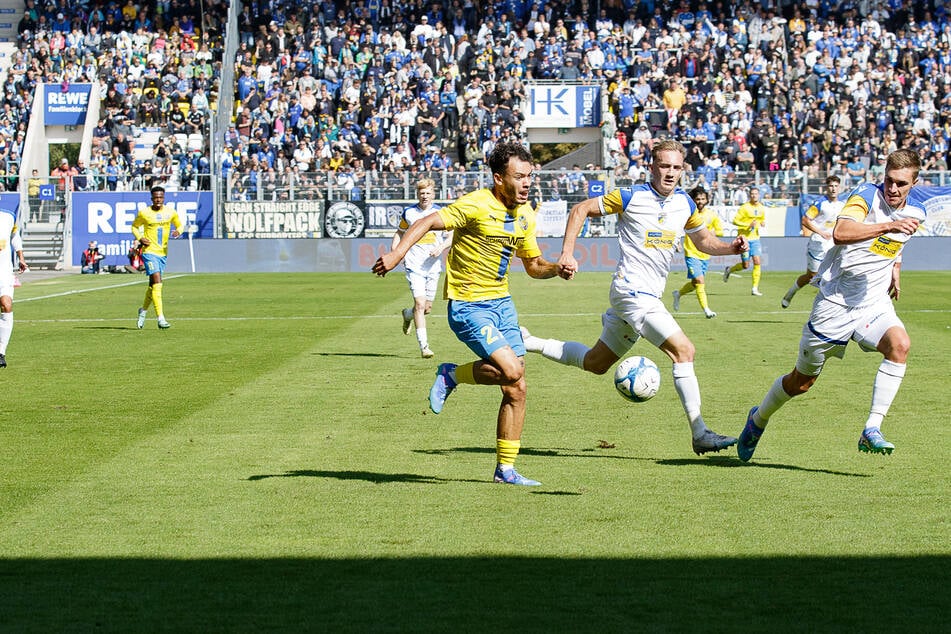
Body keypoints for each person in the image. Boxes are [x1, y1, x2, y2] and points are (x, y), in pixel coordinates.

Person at [520, 139, 749, 456]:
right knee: (684, 351)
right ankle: (700, 433)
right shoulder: (631, 196)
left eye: (676, 167)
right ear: (652, 167)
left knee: (596, 363)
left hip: (645, 296)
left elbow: (705, 240)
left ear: (682, 170)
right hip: (631, 290)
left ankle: (527, 341)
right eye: (664, 166)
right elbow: (580, 209)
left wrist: (730, 249)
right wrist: (567, 254)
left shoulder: (684, 203)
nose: (670, 173)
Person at [373, 142, 573, 486]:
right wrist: (397, 256)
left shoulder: (526, 215)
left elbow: (533, 265)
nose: (527, 183)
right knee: (510, 370)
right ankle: (451, 375)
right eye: (519, 177)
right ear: (499, 178)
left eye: (530, 177)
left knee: (517, 386)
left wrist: (556, 268)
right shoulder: (475, 204)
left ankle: (505, 470)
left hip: (502, 305)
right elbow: (427, 222)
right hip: (468, 306)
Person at [737, 150, 926, 461]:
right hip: (835, 303)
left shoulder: (917, 211)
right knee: (801, 383)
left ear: (914, 183)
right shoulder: (865, 195)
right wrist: (888, 227)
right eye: (889, 181)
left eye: (901, 184)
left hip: (873, 301)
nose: (893, 189)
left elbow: (897, 244)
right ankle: (758, 420)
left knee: (900, 346)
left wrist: (895, 268)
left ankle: (871, 428)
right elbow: (841, 233)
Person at [394, 178, 451, 359]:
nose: (424, 196)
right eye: (421, 193)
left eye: (427, 193)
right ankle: (424, 347)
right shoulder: (409, 213)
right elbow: (399, 233)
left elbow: (451, 236)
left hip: (432, 266)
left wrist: (441, 247)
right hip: (413, 264)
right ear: (417, 194)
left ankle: (407, 315)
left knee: (426, 308)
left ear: (433, 194)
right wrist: (397, 253)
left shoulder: (441, 213)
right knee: (420, 304)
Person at [781, 175, 844, 308]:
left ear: (840, 187)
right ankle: (790, 293)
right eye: (831, 186)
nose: (833, 189)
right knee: (812, 277)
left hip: (833, 244)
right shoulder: (820, 203)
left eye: (836, 186)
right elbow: (805, 220)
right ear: (826, 188)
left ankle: (829, 308)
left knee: (835, 275)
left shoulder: (842, 205)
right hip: (818, 244)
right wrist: (820, 232)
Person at [131, 185, 184, 329]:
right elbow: (134, 227)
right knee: (158, 282)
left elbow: (180, 225)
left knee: (152, 286)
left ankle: (143, 310)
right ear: (151, 198)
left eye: (160, 197)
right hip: (149, 252)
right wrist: (140, 238)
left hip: (163, 253)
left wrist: (178, 231)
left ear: (163, 197)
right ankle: (161, 318)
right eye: (155, 197)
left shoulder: (170, 212)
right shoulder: (144, 213)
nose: (158, 200)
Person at [672, 186, 723, 319]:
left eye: (702, 199)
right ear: (693, 200)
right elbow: (677, 228)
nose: (700, 201)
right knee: (700, 281)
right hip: (691, 253)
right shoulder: (689, 214)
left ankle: (678, 294)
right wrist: (677, 242)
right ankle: (706, 309)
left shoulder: (711, 215)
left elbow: (720, 231)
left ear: (707, 200)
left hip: (705, 254)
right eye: (698, 199)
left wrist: (714, 233)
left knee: (695, 283)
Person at [723, 185, 766, 296]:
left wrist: (762, 223)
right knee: (745, 265)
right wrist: (748, 224)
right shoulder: (745, 207)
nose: (754, 195)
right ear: (749, 195)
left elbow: (761, 219)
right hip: (744, 239)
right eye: (752, 194)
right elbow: (735, 221)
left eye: (756, 194)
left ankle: (754, 288)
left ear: (759, 195)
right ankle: (730, 270)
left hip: (755, 238)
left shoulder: (761, 207)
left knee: (757, 261)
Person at [0, 206, 28, 368]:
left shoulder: (9, 216)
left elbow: (15, 236)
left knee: (6, 304)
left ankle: (1, 353)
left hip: (4, 272)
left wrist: (21, 257)